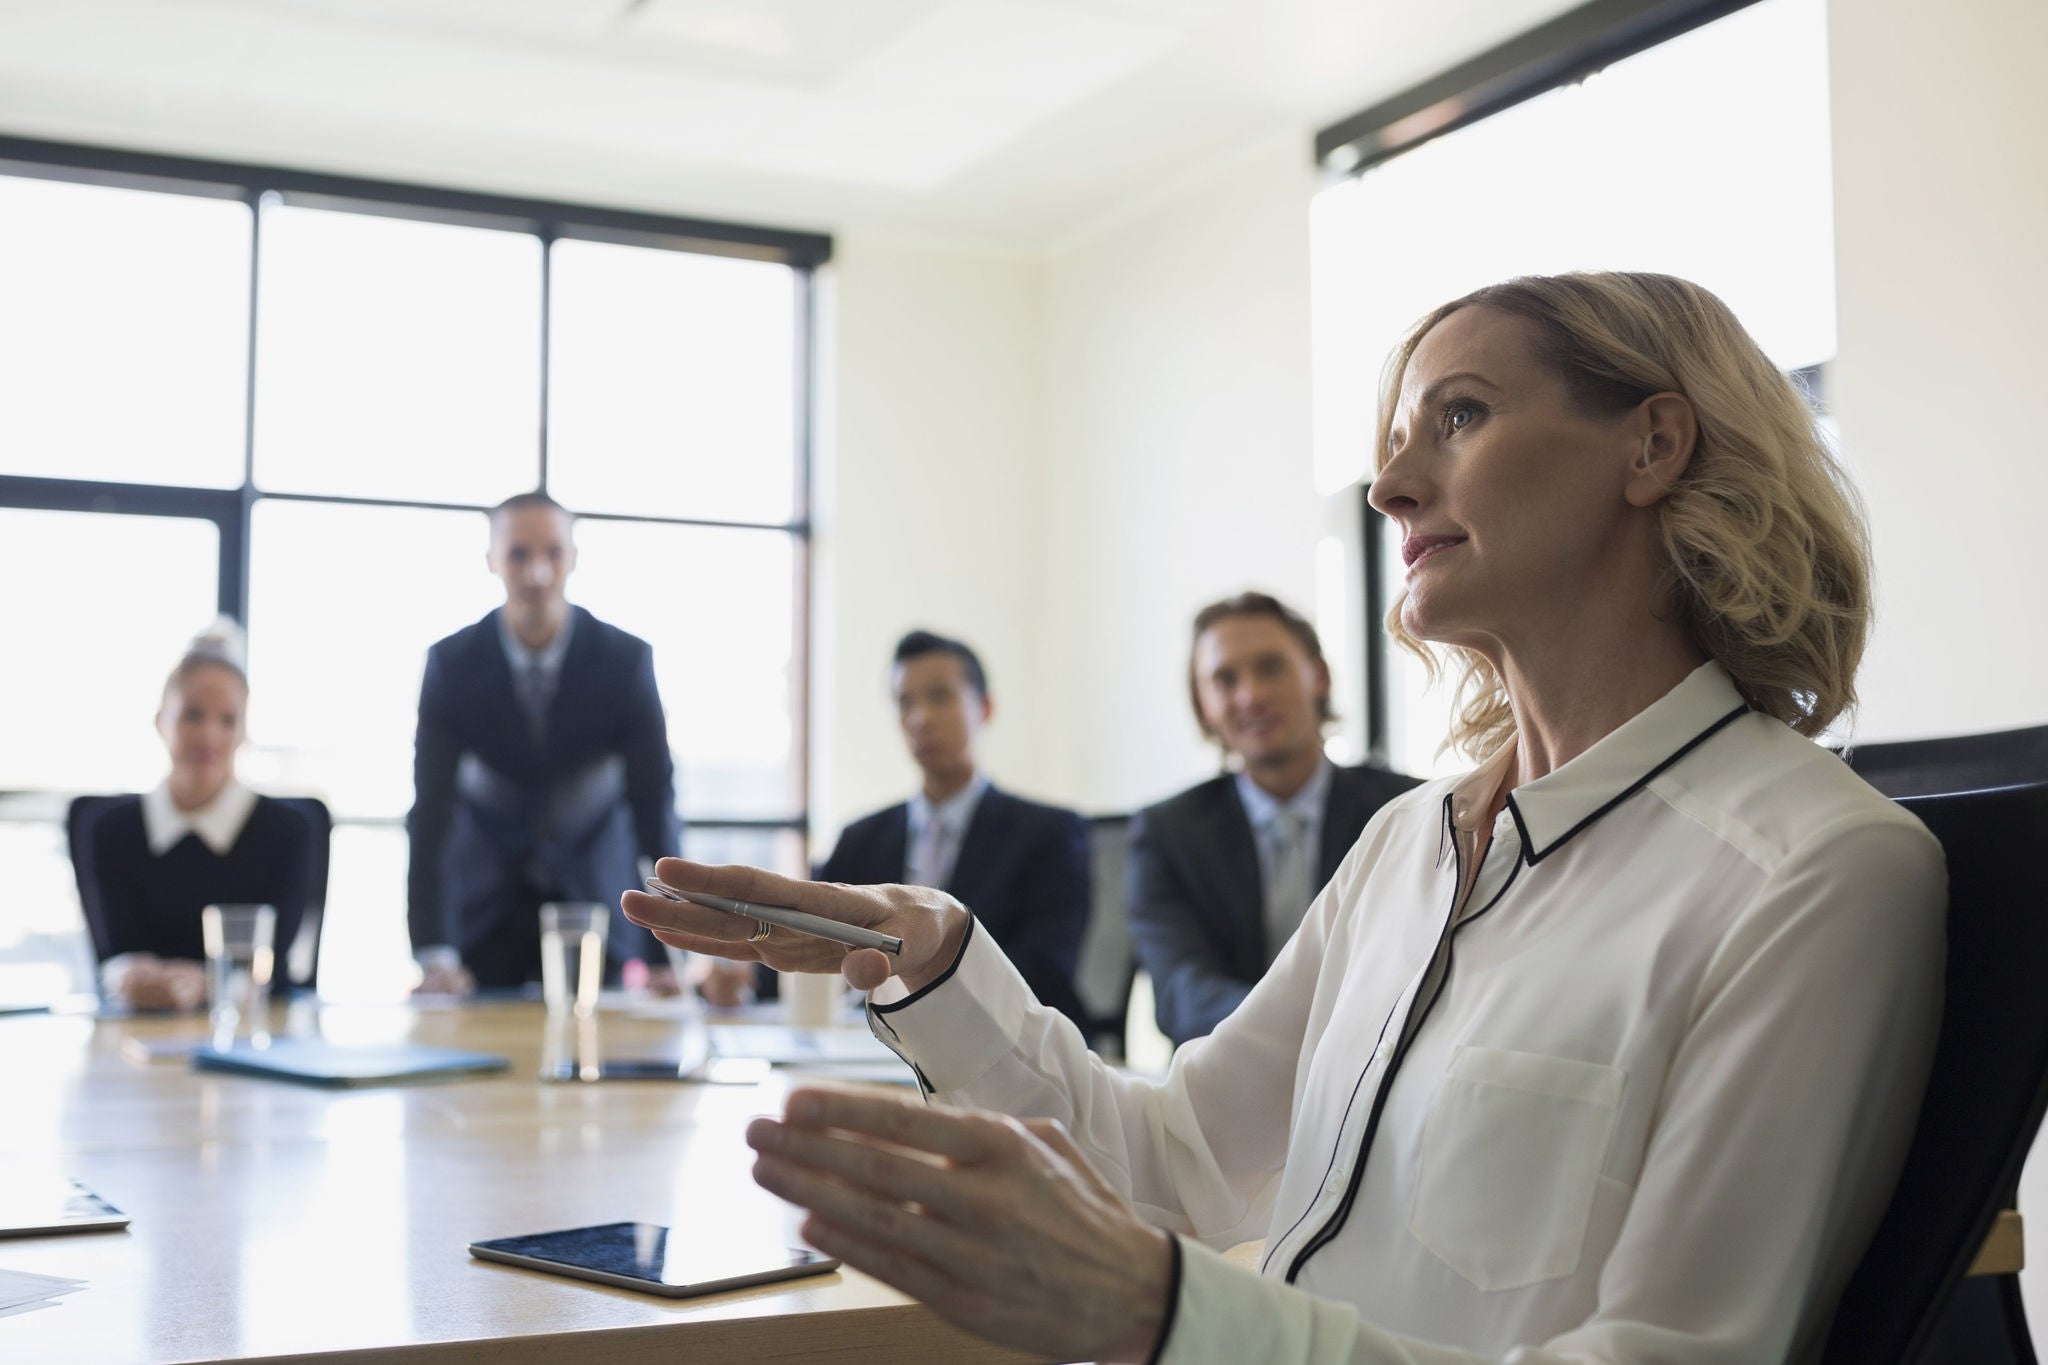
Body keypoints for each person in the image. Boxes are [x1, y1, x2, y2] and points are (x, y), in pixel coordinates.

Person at [625, 272, 1948, 1365]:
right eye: (1391, 445)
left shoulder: (1818, 875)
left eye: (1462, 417)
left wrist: (1172, 1313)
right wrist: (938, 958)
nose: (1390, 491)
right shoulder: (1411, 846)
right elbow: (1170, 1162)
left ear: (1652, 445)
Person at [408, 490, 678, 996]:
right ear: (492, 560)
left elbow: (653, 806)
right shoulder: (451, 664)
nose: (537, 572)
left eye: (552, 552)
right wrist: (435, 952)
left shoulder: (627, 662)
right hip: (482, 918)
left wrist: (668, 952)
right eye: (518, 554)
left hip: (600, 911)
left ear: (572, 557)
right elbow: (432, 814)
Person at [1128, 593, 1420, 1046]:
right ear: (1203, 705)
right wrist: (1291, 1034)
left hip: (1374, 1061)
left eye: (1270, 668)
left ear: (1317, 676)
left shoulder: (1410, 809)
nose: (1251, 695)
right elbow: (1181, 992)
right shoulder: (1166, 832)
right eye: (1225, 680)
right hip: (1227, 1073)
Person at [772, 630, 1093, 1031]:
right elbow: (808, 938)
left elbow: (1046, 967)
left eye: (940, 697)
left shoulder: (1049, 834)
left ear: (985, 707)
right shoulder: (861, 839)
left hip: (996, 1045)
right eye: (905, 703)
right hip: (871, 1045)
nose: (920, 718)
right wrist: (738, 976)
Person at [79, 621, 313, 1011]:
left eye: (227, 720)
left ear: (243, 732)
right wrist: (130, 977)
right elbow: (115, 955)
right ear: (161, 721)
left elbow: (272, 967)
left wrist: (208, 986)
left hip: (250, 1034)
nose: (209, 736)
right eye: (192, 715)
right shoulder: (109, 830)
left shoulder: (287, 832)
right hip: (134, 1033)